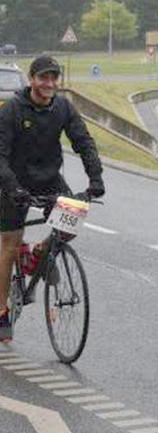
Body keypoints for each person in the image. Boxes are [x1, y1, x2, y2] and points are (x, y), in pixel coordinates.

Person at [0, 56, 105, 343]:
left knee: (70, 224)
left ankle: (37, 255)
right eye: (43, 78)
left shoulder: (63, 108)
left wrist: (95, 179)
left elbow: (83, 142)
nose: (48, 84)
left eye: (53, 78)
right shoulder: (11, 110)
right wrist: (12, 188)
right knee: (9, 244)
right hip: (13, 182)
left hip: (49, 180)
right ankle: (2, 311)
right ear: (32, 79)